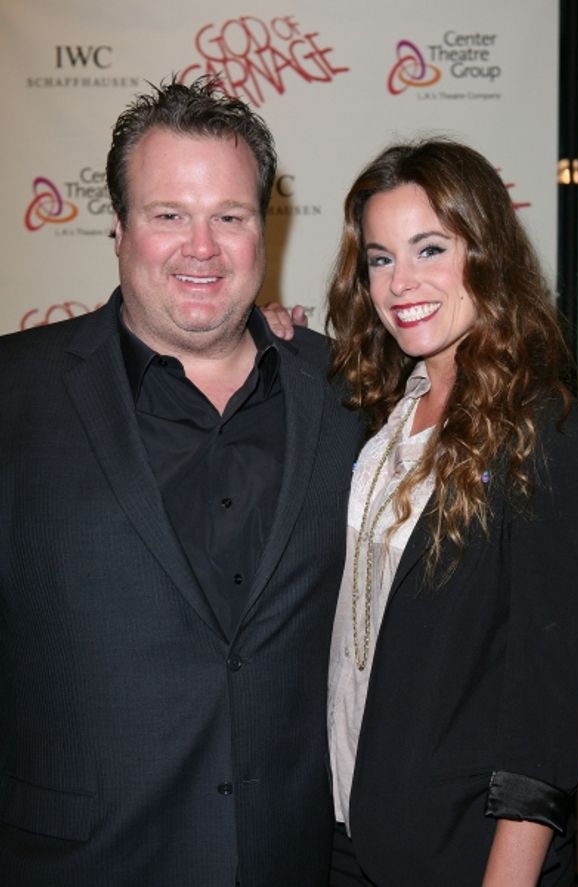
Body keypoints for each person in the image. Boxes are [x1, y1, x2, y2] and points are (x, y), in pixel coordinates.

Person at [0, 77, 363, 886]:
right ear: (119, 226)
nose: (202, 248)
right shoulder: (14, 396)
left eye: (229, 217)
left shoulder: (352, 398)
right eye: (168, 215)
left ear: (263, 230)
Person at [266, 138, 578, 887]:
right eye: (380, 258)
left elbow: (544, 727)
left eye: (430, 249)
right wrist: (272, 336)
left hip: (456, 858)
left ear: (487, 253)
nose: (401, 283)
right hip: (333, 838)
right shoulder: (376, 413)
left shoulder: (553, 443)